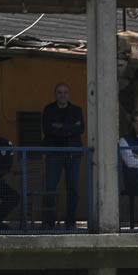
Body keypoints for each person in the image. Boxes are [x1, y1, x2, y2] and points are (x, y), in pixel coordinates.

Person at [41, 83, 85, 229]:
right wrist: (69, 128)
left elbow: (80, 129)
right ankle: (49, 222)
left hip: (73, 154)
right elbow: (47, 129)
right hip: (54, 154)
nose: (63, 95)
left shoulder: (76, 110)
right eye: (59, 92)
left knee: (73, 189)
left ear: (69, 94)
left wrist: (59, 127)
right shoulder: (49, 109)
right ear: (55, 94)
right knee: (50, 188)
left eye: (65, 92)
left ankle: (71, 222)